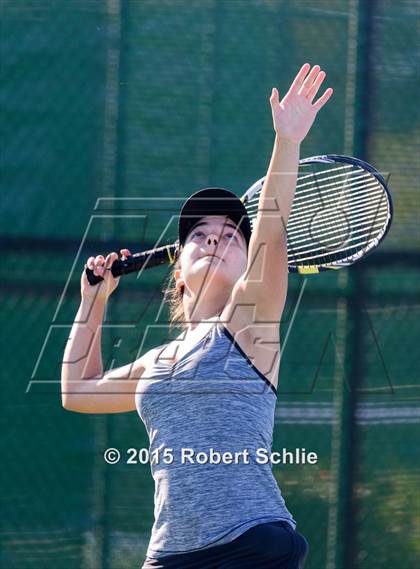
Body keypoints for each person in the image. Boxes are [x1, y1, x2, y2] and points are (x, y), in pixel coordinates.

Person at [61, 63, 332, 568]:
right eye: (199, 234)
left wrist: (288, 140)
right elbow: (76, 391)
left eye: (230, 234)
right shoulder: (155, 362)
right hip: (168, 557)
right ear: (179, 270)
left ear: (249, 262)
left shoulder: (250, 321)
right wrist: (91, 303)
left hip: (251, 545)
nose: (214, 237)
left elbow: (271, 225)